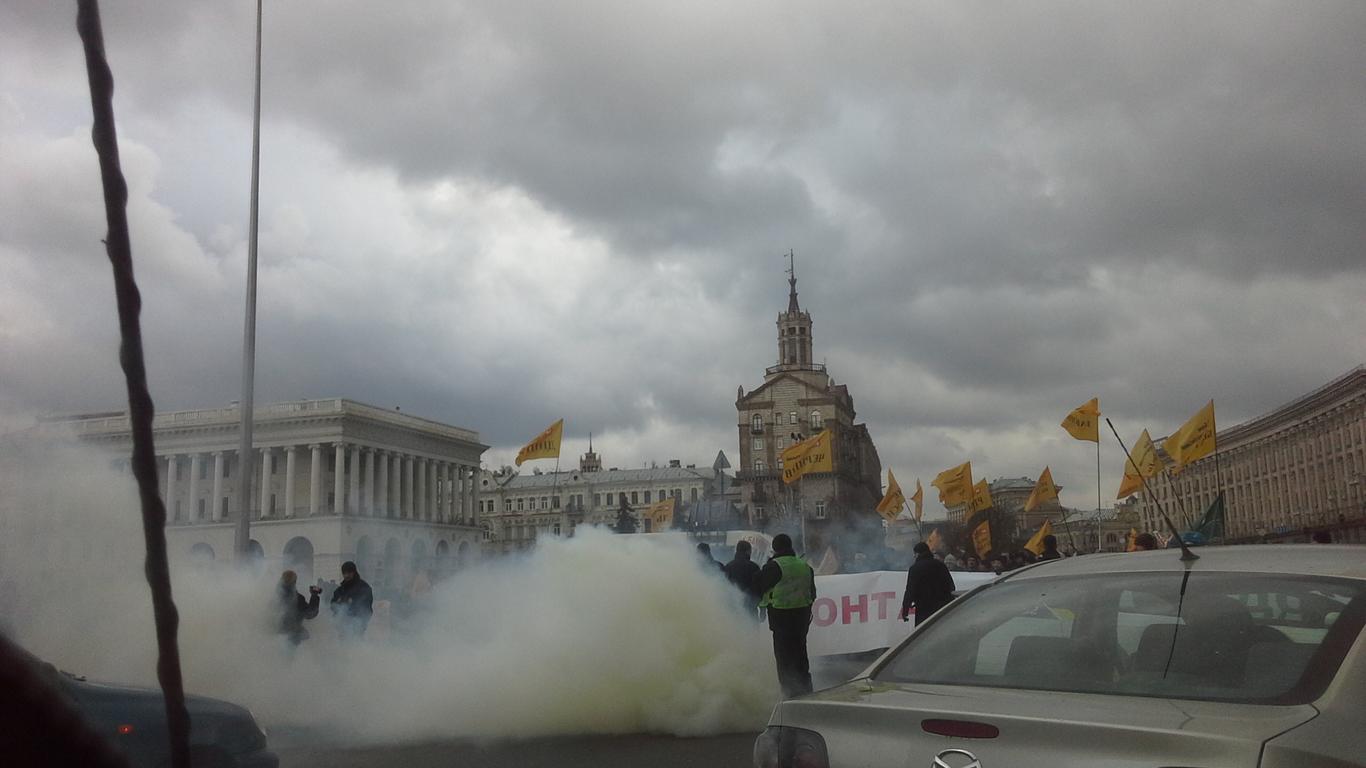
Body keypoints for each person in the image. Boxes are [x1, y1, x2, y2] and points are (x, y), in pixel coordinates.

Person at [753, 534, 816, 698]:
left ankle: (789, 693)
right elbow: (812, 592)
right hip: (801, 617)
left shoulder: (774, 566)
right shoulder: (805, 566)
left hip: (781, 617)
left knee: (784, 658)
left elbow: (758, 586)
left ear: (775, 548)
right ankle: (806, 691)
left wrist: (761, 607)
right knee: (801, 654)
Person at [899, 542, 956, 626]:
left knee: (925, 635)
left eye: (914, 554)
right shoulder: (940, 565)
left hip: (924, 610)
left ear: (917, 554)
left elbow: (910, 590)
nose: (914, 556)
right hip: (943, 609)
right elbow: (951, 586)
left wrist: (905, 610)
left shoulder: (915, 569)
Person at [330, 561, 374, 639]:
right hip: (342, 627)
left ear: (354, 572)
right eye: (344, 573)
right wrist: (339, 603)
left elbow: (366, 609)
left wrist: (352, 602)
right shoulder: (340, 590)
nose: (346, 575)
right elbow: (333, 606)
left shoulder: (363, 588)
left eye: (349, 572)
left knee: (355, 646)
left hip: (357, 626)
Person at [277, 570, 320, 646]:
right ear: (294, 582)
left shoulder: (275, 598)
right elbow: (310, 614)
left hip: (278, 634)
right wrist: (314, 595)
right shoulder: (297, 598)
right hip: (293, 635)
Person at [723, 540, 763, 618]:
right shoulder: (754, 567)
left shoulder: (728, 566)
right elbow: (760, 588)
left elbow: (724, 587)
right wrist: (762, 608)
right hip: (750, 607)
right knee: (751, 629)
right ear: (748, 551)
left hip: (733, 607)